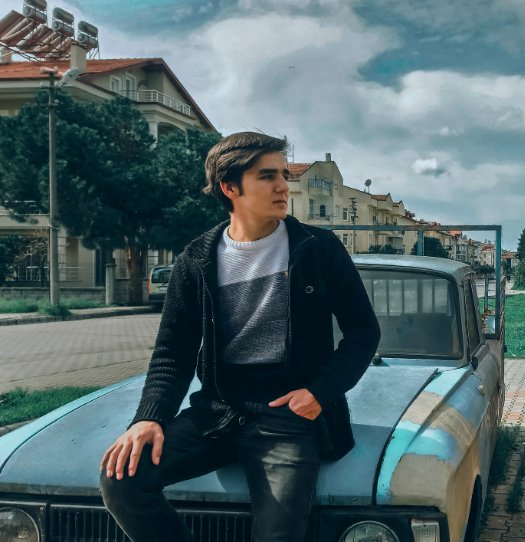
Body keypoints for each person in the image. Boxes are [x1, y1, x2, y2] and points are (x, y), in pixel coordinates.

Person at [99, 132, 380, 541]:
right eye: (268, 176)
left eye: (283, 174)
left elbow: (363, 331)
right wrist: (149, 418)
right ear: (230, 188)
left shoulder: (317, 248)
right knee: (122, 479)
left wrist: (320, 392)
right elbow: (172, 354)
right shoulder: (196, 259)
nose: (283, 185)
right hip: (217, 412)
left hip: (288, 418)